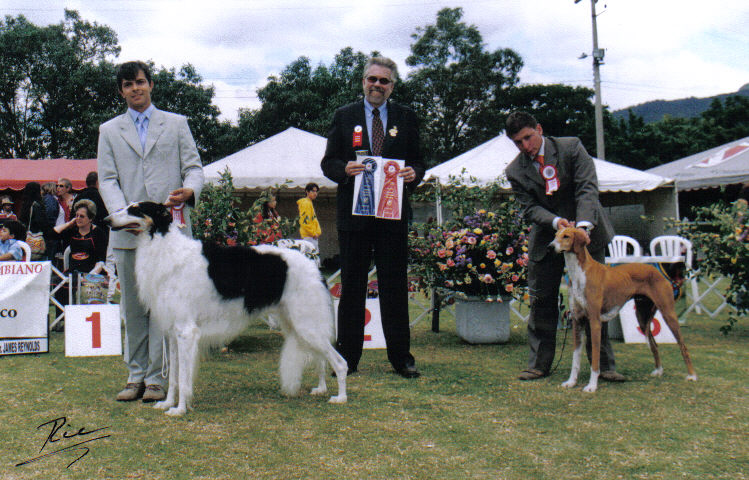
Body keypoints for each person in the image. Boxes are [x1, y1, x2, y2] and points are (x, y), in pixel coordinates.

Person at [98, 60, 204, 403]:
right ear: (121, 91)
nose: (136, 89)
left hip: (168, 237)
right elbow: (107, 179)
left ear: (151, 84)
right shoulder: (109, 130)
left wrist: (190, 190)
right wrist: (126, 215)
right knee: (132, 307)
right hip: (128, 235)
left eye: (140, 82)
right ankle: (135, 376)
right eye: (128, 84)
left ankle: (158, 378)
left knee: (165, 308)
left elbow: (194, 169)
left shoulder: (176, 124)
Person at [321, 56, 424, 378]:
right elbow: (328, 162)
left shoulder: (406, 117)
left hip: (392, 215)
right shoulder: (344, 115)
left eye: (384, 81)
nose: (377, 85)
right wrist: (344, 169)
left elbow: (419, 161)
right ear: (363, 81)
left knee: (394, 285)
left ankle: (401, 358)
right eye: (372, 79)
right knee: (352, 285)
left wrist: (414, 173)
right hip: (355, 215)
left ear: (392, 86)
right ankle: (347, 358)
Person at [504, 111, 624, 382]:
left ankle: (604, 366)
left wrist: (582, 228)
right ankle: (539, 364)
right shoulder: (515, 171)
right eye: (518, 142)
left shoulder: (571, 147)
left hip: (586, 235)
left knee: (595, 300)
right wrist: (556, 222)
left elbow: (587, 188)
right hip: (548, 238)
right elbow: (529, 208)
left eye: (528, 138)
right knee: (541, 300)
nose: (525, 146)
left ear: (539, 129)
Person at [52, 199, 108, 316]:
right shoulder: (72, 231)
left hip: (92, 272)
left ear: (90, 218)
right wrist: (69, 224)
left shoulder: (98, 233)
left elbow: (101, 261)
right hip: (73, 272)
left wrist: (90, 276)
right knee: (59, 283)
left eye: (82, 216)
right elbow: (53, 234)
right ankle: (63, 318)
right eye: (76, 216)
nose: (78, 218)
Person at [18, 182, 51, 259]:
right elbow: (41, 223)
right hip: (36, 237)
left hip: (26, 237)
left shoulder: (25, 205)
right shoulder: (37, 205)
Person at [42, 181, 64, 263]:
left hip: (54, 232)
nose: (58, 188)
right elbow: (50, 215)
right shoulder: (50, 199)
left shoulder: (52, 199)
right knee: (51, 258)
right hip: (53, 233)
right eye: (57, 187)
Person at [297, 183, 321, 249]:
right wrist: (313, 233)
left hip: (311, 235)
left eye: (316, 191)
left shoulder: (308, 202)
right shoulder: (305, 203)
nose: (315, 193)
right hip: (309, 236)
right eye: (313, 191)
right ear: (307, 192)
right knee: (311, 254)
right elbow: (304, 221)